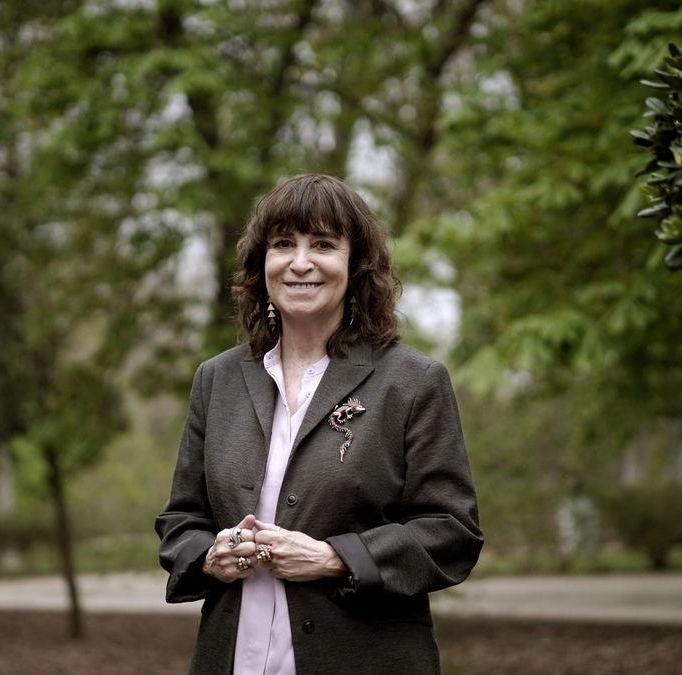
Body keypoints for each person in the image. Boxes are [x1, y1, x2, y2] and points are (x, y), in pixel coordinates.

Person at [156, 174, 482, 674]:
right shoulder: (216, 380)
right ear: (261, 263)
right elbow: (180, 521)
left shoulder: (412, 382)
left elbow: (451, 532)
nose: (300, 262)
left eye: (323, 244)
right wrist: (208, 555)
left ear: (356, 266)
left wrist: (336, 558)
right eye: (283, 244)